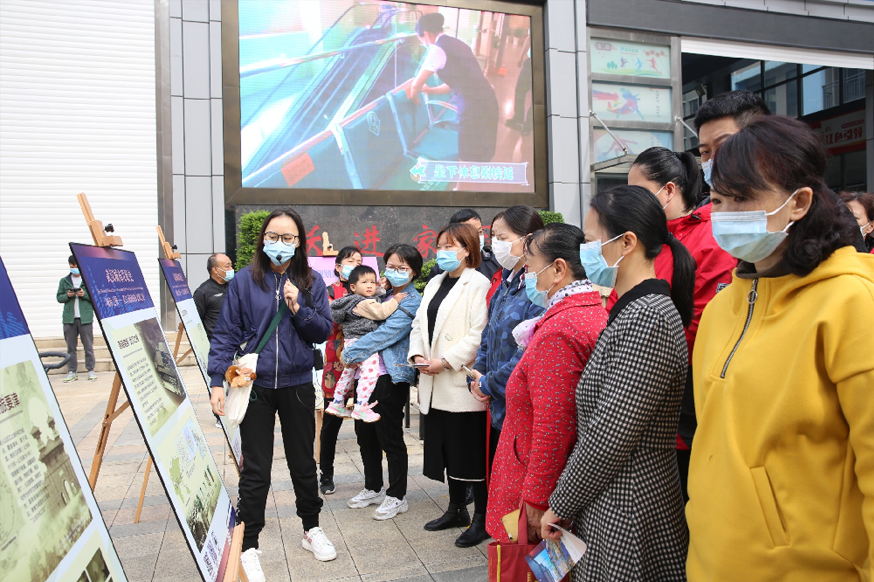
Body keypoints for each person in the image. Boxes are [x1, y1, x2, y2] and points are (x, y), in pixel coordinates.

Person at [686, 116, 874, 581]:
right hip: (712, 563)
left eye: (743, 198)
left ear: (800, 202)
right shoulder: (721, 308)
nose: (726, 215)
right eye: (718, 201)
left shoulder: (852, 302)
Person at [541, 185, 696, 581]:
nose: (585, 252)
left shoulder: (648, 316)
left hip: (628, 506)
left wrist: (562, 502)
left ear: (627, 242)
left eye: (591, 241)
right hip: (613, 497)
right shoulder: (632, 310)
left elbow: (610, 432)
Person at [207, 209, 337, 581]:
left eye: (288, 237)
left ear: (299, 242)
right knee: (256, 468)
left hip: (297, 384)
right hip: (256, 386)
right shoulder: (243, 281)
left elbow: (322, 331)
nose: (280, 243)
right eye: (274, 236)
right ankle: (248, 544)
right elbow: (226, 333)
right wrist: (216, 380)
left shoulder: (311, 281)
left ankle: (311, 528)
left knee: (303, 463)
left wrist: (298, 308)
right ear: (263, 239)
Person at [486, 223, 607, 544]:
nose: (526, 276)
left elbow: (553, 425)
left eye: (529, 266)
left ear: (558, 269)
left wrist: (537, 499)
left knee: (526, 564)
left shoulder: (560, 331)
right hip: (552, 477)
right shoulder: (586, 310)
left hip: (535, 481)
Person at [627, 146, 737, 500]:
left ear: (669, 190)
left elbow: (699, 320)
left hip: (682, 387)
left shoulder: (707, 237)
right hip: (648, 382)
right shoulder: (647, 239)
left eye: (638, 191)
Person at [695, 89, 868, 252]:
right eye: (705, 152)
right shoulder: (748, 257)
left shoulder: (832, 221)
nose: (715, 160)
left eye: (725, 146)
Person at [409, 223, 491, 547]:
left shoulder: (478, 283)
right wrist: (417, 354)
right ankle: (456, 508)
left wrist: (444, 362)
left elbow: (478, 334)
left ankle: (482, 518)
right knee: (446, 450)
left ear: (468, 249)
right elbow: (419, 323)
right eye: (440, 245)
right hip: (432, 381)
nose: (442, 251)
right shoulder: (435, 282)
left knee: (469, 453)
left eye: (450, 245)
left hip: (457, 381)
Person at [343, 244, 423, 520]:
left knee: (390, 437)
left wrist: (350, 352)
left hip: (390, 375)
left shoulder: (411, 300)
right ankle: (373, 487)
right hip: (366, 375)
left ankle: (397, 495)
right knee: (365, 435)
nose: (395, 271)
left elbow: (387, 333)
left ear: (414, 271)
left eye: (403, 267)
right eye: (391, 266)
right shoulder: (382, 294)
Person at [468, 205, 544, 472]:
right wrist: (477, 374)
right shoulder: (504, 283)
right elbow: (488, 336)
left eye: (502, 238)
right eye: (494, 238)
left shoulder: (538, 289)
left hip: (523, 406)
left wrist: (489, 383)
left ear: (529, 239)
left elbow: (528, 352)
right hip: (499, 404)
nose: (495, 245)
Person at [407, 12, 499, 163]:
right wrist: (430, 90)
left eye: (421, 40)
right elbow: (454, 85)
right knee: (481, 153)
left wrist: (414, 96)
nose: (423, 44)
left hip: (473, 107)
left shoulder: (437, 50)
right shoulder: (457, 43)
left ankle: (466, 177)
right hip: (487, 101)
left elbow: (416, 83)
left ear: (426, 34)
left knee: (469, 155)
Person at [325, 265, 407, 422]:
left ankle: (337, 402)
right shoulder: (362, 303)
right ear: (353, 287)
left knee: (348, 374)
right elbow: (381, 312)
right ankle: (361, 406)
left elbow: (376, 295)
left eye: (372, 282)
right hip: (364, 343)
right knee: (370, 374)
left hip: (351, 343)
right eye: (364, 282)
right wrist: (395, 301)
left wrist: (382, 287)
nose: (370, 285)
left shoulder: (351, 301)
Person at [319, 246, 362, 496]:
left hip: (363, 365)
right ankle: (326, 474)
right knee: (331, 424)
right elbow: (331, 320)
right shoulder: (327, 292)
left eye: (359, 261)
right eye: (350, 261)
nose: (355, 265)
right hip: (336, 366)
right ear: (338, 267)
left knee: (364, 424)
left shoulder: (367, 290)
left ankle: (372, 478)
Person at [428, 209, 501, 282]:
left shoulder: (495, 264)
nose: (476, 237)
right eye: (470, 233)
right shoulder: (441, 270)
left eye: (480, 231)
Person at [57, 255, 96, 382]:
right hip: (69, 319)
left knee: (88, 346)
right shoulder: (64, 281)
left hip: (85, 318)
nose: (74, 268)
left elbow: (95, 297)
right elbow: (59, 297)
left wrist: (84, 294)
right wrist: (67, 295)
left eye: (76, 265)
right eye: (72, 266)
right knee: (71, 348)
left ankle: (91, 370)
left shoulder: (88, 280)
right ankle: (72, 371)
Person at [193, 253, 234, 340]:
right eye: (227, 266)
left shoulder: (233, 286)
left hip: (235, 341)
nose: (231, 269)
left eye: (231, 265)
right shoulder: (203, 292)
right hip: (216, 342)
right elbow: (196, 322)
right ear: (215, 270)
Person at [505, 33, 532, 135]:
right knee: (520, 90)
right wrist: (521, 57)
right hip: (532, 62)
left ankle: (527, 125)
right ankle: (519, 119)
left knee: (538, 97)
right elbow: (529, 38)